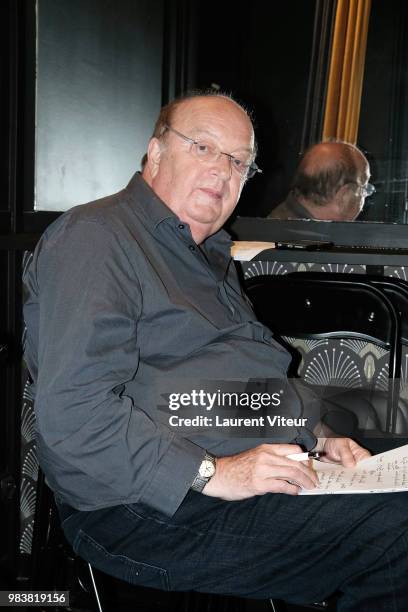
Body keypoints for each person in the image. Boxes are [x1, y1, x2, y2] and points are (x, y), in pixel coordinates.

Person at [24, 92, 408, 609]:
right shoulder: (98, 238)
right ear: (155, 153)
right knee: (397, 532)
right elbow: (76, 415)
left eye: (238, 161)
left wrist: (319, 433)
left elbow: (229, 387)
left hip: (244, 468)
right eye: (203, 148)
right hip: (142, 508)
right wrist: (214, 472)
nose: (222, 170)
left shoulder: (206, 255)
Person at [268, 141, 374, 220]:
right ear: (344, 196)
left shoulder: (279, 223)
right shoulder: (311, 243)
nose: (365, 195)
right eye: (364, 189)